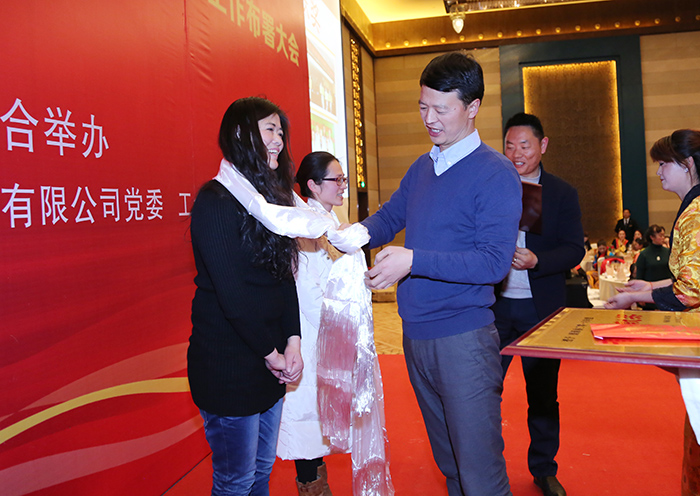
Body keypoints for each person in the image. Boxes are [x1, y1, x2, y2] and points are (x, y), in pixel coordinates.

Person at [362, 51, 520, 496]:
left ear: (472, 107)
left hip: (463, 341)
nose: (429, 119)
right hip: (417, 336)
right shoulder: (423, 167)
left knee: (480, 474)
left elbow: (493, 263)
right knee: (450, 464)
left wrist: (413, 260)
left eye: (440, 109)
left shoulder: (496, 173)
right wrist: (348, 234)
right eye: (422, 106)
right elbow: (389, 217)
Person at [188, 97, 303, 496]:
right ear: (241, 134)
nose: (279, 140)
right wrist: (273, 355)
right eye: (270, 129)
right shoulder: (216, 201)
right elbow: (233, 296)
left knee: (261, 471)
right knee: (235, 481)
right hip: (229, 366)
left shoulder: (270, 203)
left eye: (280, 131)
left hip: (270, 362)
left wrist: (293, 343)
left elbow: (285, 278)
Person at [604, 129, 700, 496]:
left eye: (663, 164)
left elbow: (690, 291)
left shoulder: (695, 213)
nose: (658, 172)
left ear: (687, 164)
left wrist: (639, 298)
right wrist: (647, 286)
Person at [494, 112, 584, 496]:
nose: (516, 154)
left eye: (525, 145)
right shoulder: (492, 186)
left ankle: (544, 470)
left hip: (540, 311)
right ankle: (485, 468)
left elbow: (575, 248)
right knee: (483, 392)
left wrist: (537, 260)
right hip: (494, 308)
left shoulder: (561, 193)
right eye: (509, 146)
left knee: (543, 395)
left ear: (543, 145)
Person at [276, 151, 348, 495]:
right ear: (313, 186)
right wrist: (339, 328)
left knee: (319, 420)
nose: (343, 185)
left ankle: (318, 485)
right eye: (337, 179)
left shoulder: (328, 221)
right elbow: (308, 290)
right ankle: (312, 488)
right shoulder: (305, 225)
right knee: (307, 420)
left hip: (328, 335)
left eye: (343, 179)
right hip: (310, 335)